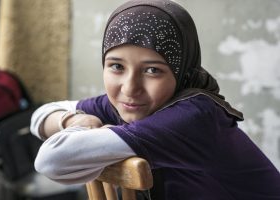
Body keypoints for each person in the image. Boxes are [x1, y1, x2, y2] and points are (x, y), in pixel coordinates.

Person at [30, 0, 280, 199]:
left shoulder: (193, 117)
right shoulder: (132, 107)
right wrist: (78, 119)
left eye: (153, 70)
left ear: (181, 71)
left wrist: (86, 133)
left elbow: (50, 160)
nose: (130, 88)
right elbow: (41, 116)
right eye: (116, 66)